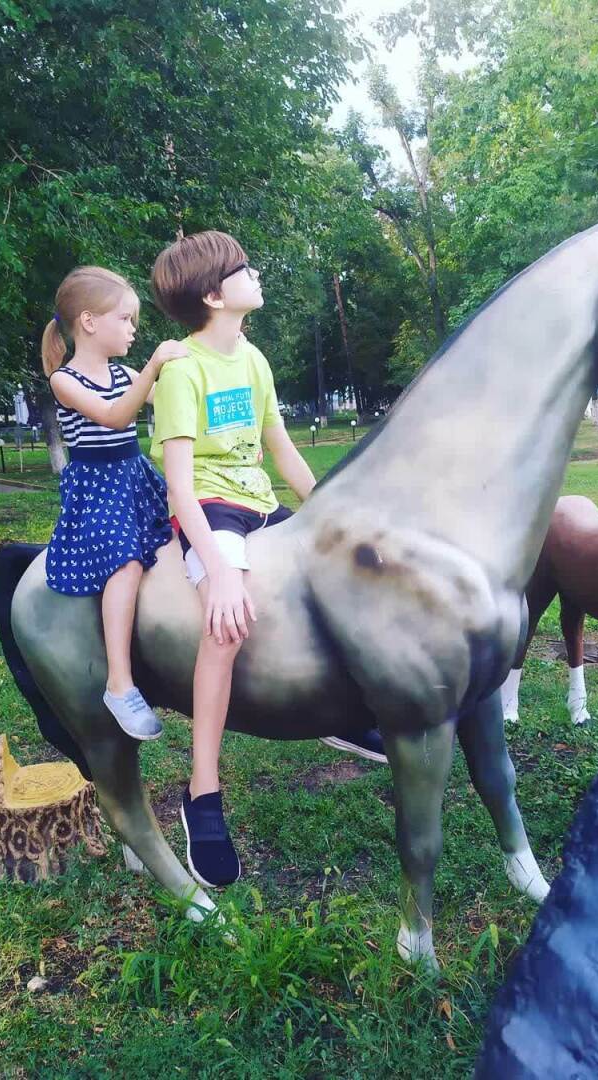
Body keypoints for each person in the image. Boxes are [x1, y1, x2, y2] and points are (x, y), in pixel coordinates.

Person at [150, 230, 386, 890]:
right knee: (224, 630)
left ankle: (349, 718)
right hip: (211, 509)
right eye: (244, 269)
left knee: (349, 572)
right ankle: (202, 794)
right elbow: (179, 488)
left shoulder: (252, 359)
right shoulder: (182, 372)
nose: (256, 275)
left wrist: (328, 513)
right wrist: (220, 571)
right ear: (213, 295)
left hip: (259, 502)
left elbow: (280, 448)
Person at [42, 265, 184, 741]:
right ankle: (120, 684)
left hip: (134, 477)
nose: (132, 330)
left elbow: (171, 401)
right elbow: (114, 416)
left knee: (186, 532)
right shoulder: (65, 380)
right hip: (97, 488)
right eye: (125, 319)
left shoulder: (125, 373)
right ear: (88, 321)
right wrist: (154, 366)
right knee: (125, 563)